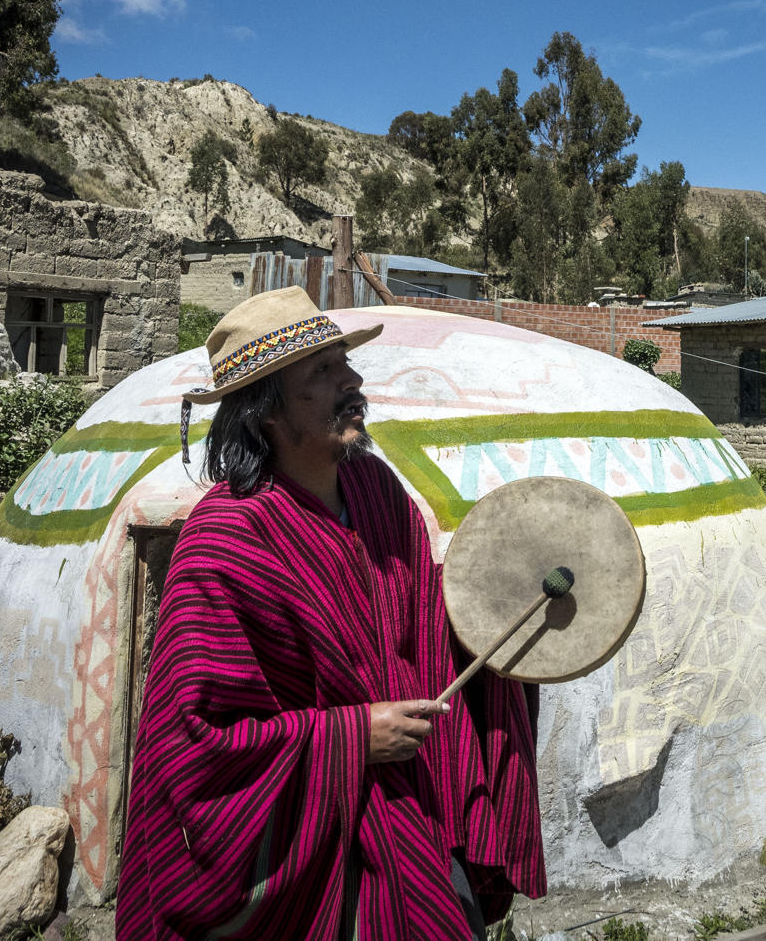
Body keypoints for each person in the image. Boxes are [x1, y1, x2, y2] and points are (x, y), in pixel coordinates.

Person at [118, 288, 544, 940]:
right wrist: (348, 740)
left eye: (343, 360)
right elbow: (194, 740)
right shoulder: (226, 543)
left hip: (414, 815)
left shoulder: (377, 493)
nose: (353, 380)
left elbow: (424, 627)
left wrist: (496, 615)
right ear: (265, 412)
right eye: (322, 371)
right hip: (306, 858)